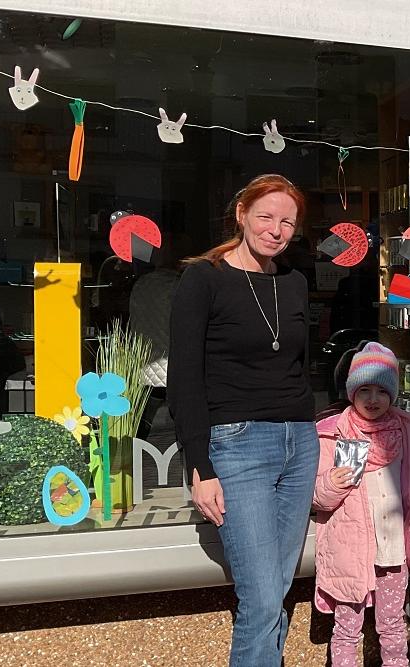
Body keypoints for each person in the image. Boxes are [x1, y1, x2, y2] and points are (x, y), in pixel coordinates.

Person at [169, 174, 317, 666]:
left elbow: (300, 366)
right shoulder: (203, 278)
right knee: (259, 597)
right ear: (241, 214)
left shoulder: (294, 283)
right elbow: (184, 377)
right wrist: (200, 465)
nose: (276, 230)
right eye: (266, 217)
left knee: (276, 588)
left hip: (298, 441)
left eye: (287, 222)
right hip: (236, 445)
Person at [312, 342, 410, 667]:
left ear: (393, 393)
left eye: (381, 390)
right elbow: (316, 497)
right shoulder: (333, 434)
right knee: (347, 630)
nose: (373, 399)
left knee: (392, 627)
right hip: (351, 553)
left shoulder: (406, 431)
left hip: (393, 552)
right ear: (351, 391)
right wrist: (329, 485)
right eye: (365, 389)